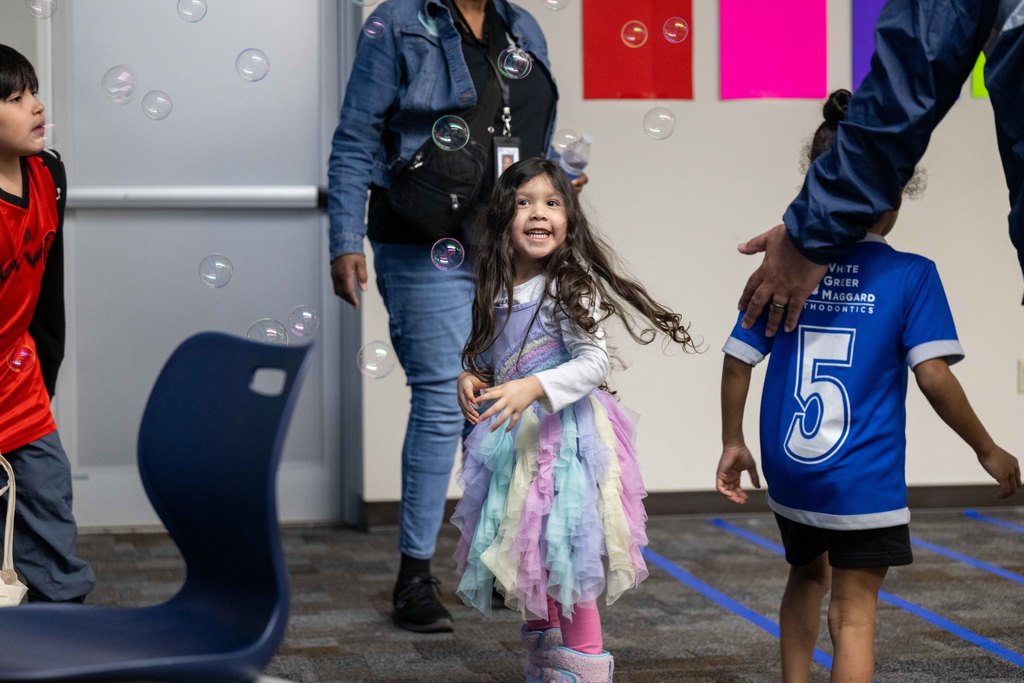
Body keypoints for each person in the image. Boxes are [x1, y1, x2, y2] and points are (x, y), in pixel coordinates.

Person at [715, 89, 1022, 683]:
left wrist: (733, 440)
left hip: (791, 470)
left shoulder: (786, 267)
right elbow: (933, 376)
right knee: (854, 614)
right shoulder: (912, 275)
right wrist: (986, 447)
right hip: (862, 481)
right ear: (896, 196)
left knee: (806, 575)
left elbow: (736, 360)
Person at [327, 0, 581, 633]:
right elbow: (357, 133)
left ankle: (491, 561)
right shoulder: (401, 20)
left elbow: (535, 140)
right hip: (422, 242)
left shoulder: (523, 28)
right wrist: (343, 239)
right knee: (444, 400)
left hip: (501, 245)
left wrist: (558, 189)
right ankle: (414, 576)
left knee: (500, 402)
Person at [452, 158, 697, 681]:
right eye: (523, 203)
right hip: (516, 443)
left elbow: (593, 362)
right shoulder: (495, 285)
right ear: (503, 219)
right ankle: (547, 664)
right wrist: (471, 376)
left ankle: (584, 666)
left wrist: (536, 386)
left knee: (568, 550)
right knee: (530, 549)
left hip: (566, 442)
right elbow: (493, 357)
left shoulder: (569, 283)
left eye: (552, 202)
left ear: (569, 219)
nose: (537, 213)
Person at [737, 0, 1024, 337]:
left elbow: (915, 68)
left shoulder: (909, 275)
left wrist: (808, 233)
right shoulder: (913, 274)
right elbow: (933, 373)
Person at [0, 44, 95, 603]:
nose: (36, 106)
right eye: (16, 98)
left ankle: (61, 616)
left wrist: (46, 365)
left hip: (20, 372)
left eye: (33, 91)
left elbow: (48, 284)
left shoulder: (48, 173)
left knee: (47, 495)